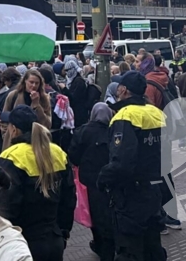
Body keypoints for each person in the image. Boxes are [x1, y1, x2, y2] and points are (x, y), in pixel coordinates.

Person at [97, 71, 167, 261]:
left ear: (123, 90)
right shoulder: (155, 112)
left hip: (131, 194)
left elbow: (122, 161)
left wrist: (103, 178)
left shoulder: (125, 116)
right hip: (154, 189)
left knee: (130, 249)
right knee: (152, 245)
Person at [0, 105, 75, 261]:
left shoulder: (11, 157)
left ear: (14, 130)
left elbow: (6, 207)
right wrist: (63, 231)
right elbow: (69, 199)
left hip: (23, 243)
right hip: (54, 239)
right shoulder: (57, 152)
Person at [68, 102, 115, 261]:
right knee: (109, 212)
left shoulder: (82, 131)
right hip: (110, 179)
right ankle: (110, 245)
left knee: (94, 214)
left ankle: (100, 244)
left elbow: (73, 156)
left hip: (88, 180)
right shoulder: (112, 131)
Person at [1, 70, 53, 149]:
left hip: (35, 142)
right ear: (25, 81)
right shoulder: (14, 95)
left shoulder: (44, 98)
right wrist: (6, 134)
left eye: (37, 83)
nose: (34, 85)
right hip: (14, 141)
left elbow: (47, 124)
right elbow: (4, 117)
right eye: (31, 82)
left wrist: (37, 105)